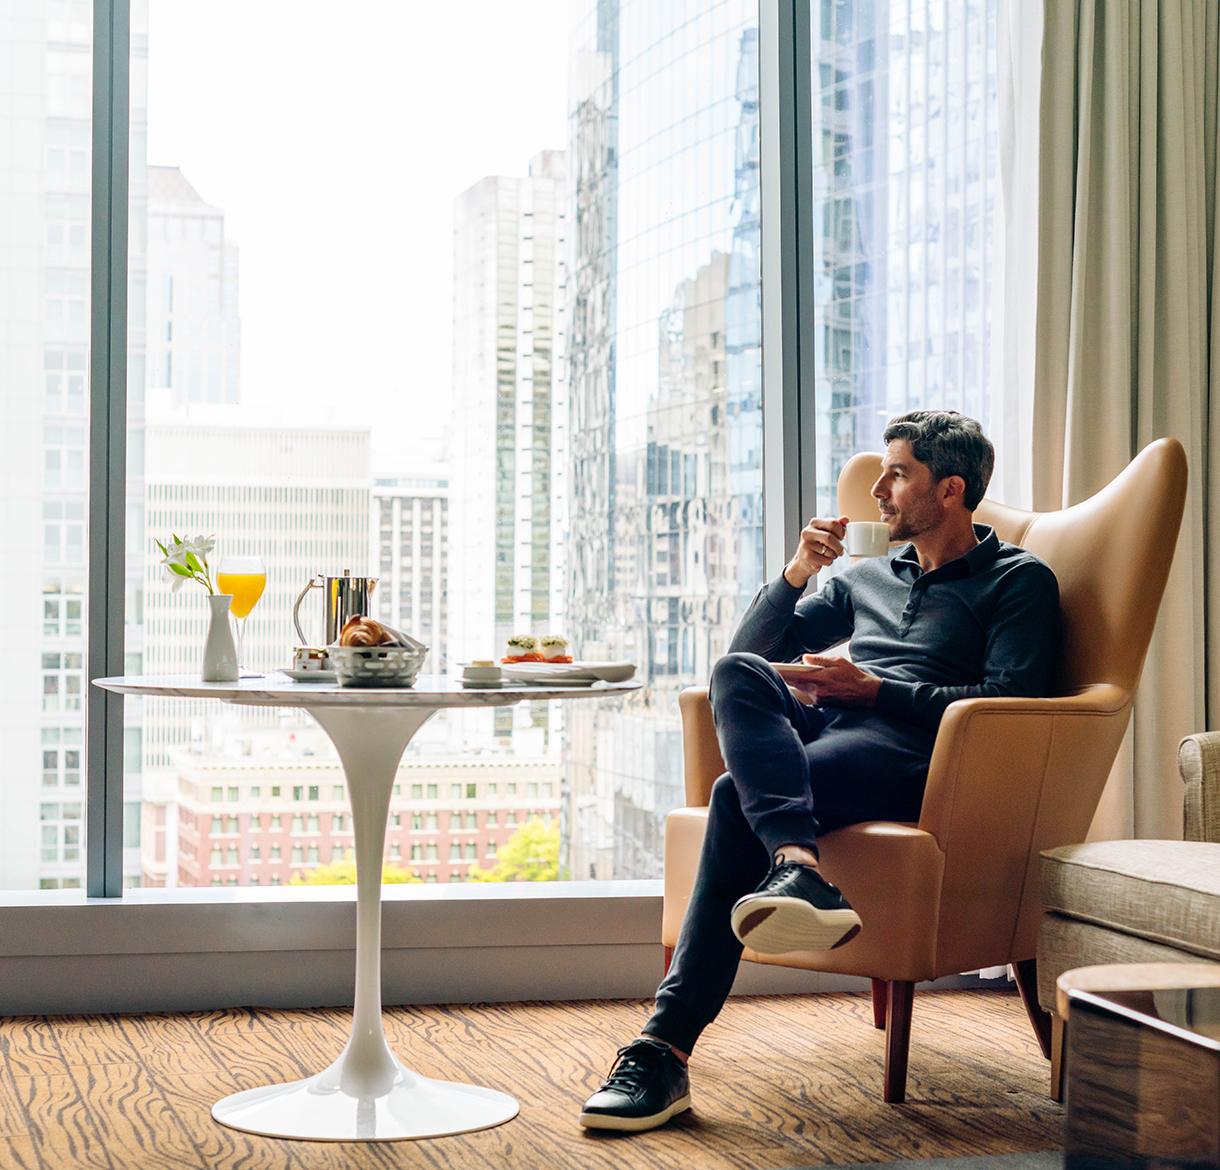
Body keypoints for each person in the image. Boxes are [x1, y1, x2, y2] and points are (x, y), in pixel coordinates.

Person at [577, 410, 1061, 1133]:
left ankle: (662, 1048)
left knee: (732, 794)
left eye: (898, 473)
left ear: (952, 489)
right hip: (834, 726)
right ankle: (795, 862)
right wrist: (799, 573)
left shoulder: (1018, 581)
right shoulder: (869, 575)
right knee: (738, 672)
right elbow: (745, 659)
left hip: (918, 751)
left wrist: (877, 691)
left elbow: (1010, 701)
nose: (879, 489)